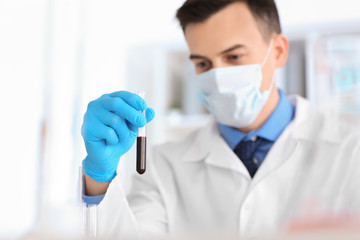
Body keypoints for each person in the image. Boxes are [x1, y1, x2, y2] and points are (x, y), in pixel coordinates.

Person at [81, 0, 360, 238]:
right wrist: (98, 176)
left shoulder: (351, 151)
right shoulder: (163, 167)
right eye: (203, 63)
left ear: (278, 52)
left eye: (234, 56)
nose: (218, 77)